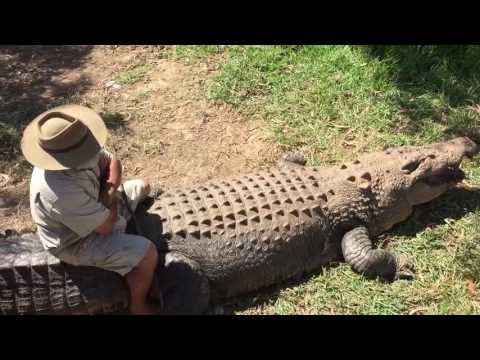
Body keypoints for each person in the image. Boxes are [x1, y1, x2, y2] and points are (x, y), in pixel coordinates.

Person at [21, 104, 159, 314]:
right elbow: (105, 227)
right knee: (148, 254)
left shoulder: (79, 146)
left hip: (100, 203)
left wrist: (109, 190)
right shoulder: (60, 193)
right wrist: (108, 196)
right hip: (75, 240)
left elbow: (113, 162)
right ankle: (138, 306)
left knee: (143, 185)